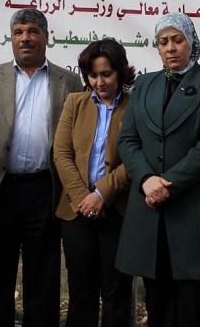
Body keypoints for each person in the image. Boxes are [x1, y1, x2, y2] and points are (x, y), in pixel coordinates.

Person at [116, 13, 200, 327]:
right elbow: (128, 140)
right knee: (159, 304)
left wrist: (167, 184)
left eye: (177, 40)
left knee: (197, 307)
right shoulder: (144, 84)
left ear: (191, 42)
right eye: (163, 42)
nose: (170, 48)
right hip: (152, 213)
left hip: (197, 212)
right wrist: (146, 179)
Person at [0, 8, 83, 327]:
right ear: (11, 38)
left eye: (32, 31)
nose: (25, 38)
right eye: (18, 32)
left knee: (43, 275)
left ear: (46, 37)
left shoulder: (68, 81)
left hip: (45, 190)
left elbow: (77, 139)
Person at [53, 39, 135, 327]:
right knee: (81, 292)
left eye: (106, 74)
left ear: (120, 72)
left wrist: (102, 193)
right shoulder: (74, 103)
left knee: (117, 292)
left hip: (118, 210)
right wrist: (84, 198)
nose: (99, 82)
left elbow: (137, 158)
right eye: (93, 75)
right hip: (77, 212)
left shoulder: (135, 106)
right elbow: (62, 153)